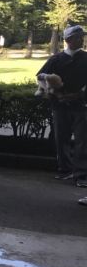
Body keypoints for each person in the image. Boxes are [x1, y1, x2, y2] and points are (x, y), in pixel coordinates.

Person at [36, 25, 87, 186]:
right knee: (61, 139)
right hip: (60, 106)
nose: (82, 39)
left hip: (81, 105)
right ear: (68, 40)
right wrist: (57, 93)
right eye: (78, 37)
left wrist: (78, 95)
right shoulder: (55, 59)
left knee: (82, 141)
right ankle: (65, 169)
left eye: (82, 36)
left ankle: (82, 174)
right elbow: (40, 78)